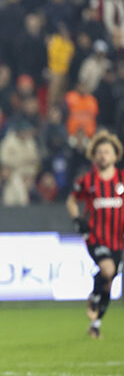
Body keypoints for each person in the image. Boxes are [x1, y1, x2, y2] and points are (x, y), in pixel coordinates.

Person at [66, 130, 124, 339]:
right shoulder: (88, 180)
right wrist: (77, 220)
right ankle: (96, 291)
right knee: (108, 270)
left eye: (107, 152)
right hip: (96, 236)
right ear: (94, 155)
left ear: (115, 156)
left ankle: (96, 324)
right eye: (99, 152)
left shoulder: (122, 180)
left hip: (118, 239)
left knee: (108, 282)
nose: (103, 156)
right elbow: (71, 200)